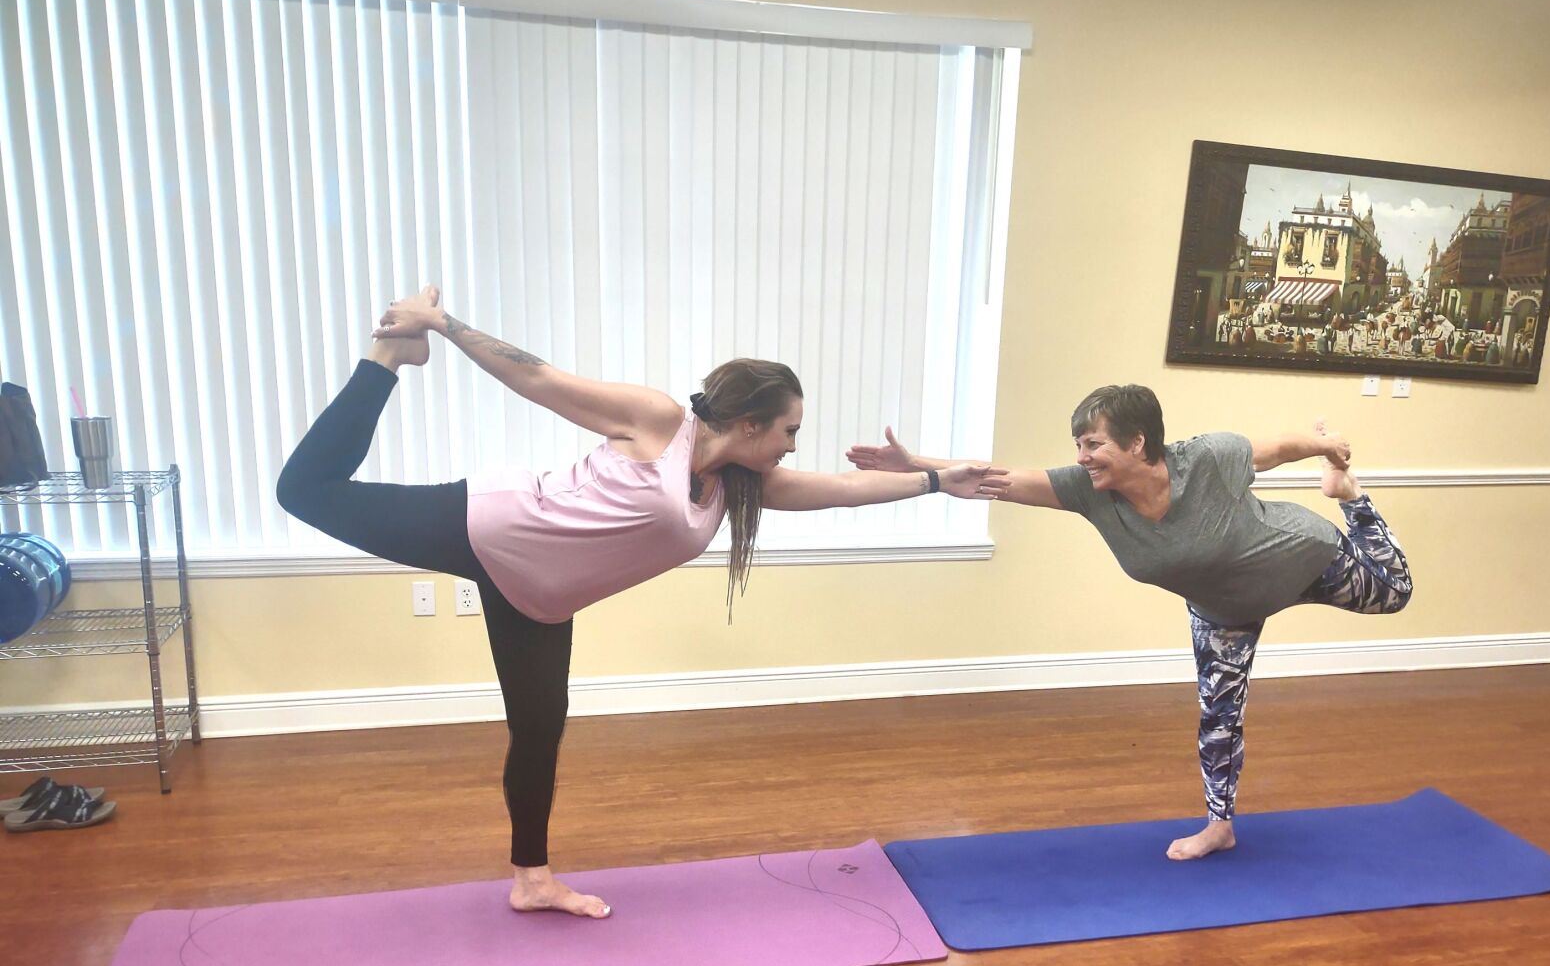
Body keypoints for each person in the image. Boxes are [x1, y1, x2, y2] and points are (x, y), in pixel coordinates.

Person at [277, 285, 1008, 917]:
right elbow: (537, 378)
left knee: (538, 733)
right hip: (487, 525)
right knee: (305, 491)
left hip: (536, 598)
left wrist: (939, 481)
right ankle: (386, 361)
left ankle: (531, 881)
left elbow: (843, 491)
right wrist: (441, 326)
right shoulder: (658, 422)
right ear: (751, 422)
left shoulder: (737, 487)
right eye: (789, 430)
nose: (792, 446)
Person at [848, 384, 1412, 861]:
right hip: (1226, 610)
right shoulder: (1088, 493)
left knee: (1396, 593)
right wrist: (918, 465)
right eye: (1079, 445)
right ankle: (1220, 826)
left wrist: (1328, 449)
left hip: (1301, 558)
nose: (1083, 455)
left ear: (1137, 442)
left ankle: (1351, 497)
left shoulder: (1208, 458)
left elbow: (1281, 448)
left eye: (1093, 443)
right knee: (1219, 713)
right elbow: (999, 478)